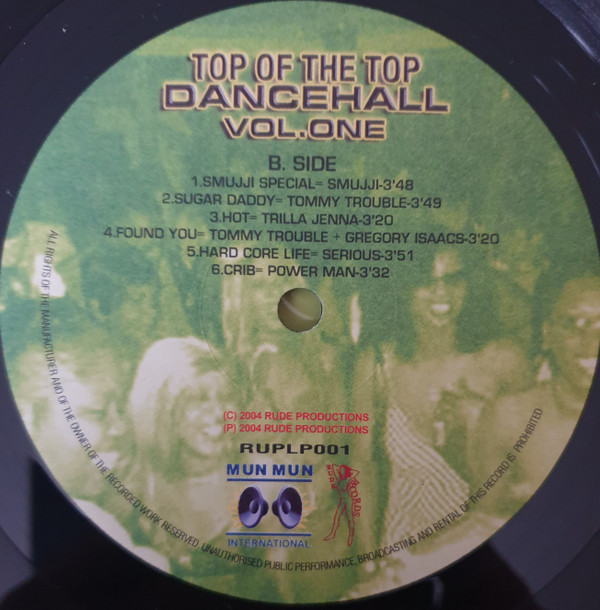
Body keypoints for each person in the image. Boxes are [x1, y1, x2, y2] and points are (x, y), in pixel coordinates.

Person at [473, 274, 600, 517]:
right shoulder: (508, 418)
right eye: (575, 324)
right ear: (547, 334)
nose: (592, 343)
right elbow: (485, 522)